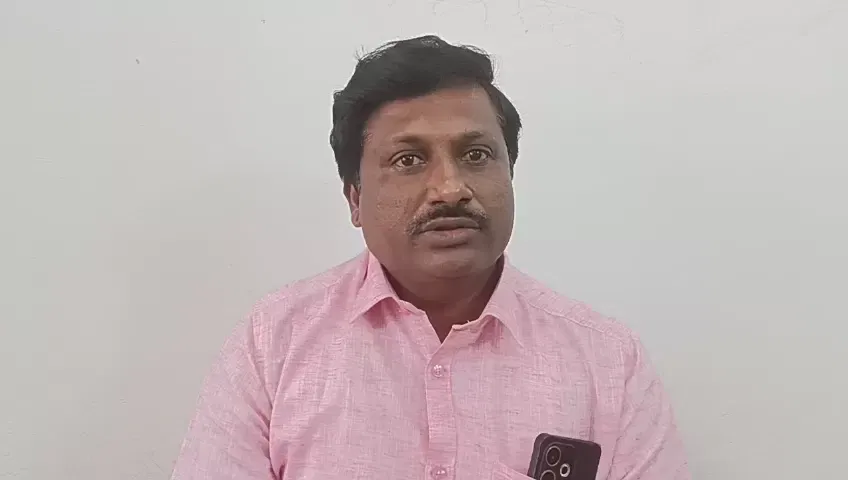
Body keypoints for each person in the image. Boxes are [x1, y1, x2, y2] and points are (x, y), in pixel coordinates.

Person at [171, 35, 690, 480]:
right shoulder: (272, 345)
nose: (450, 188)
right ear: (355, 199)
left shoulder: (609, 363)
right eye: (409, 159)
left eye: (476, 155)